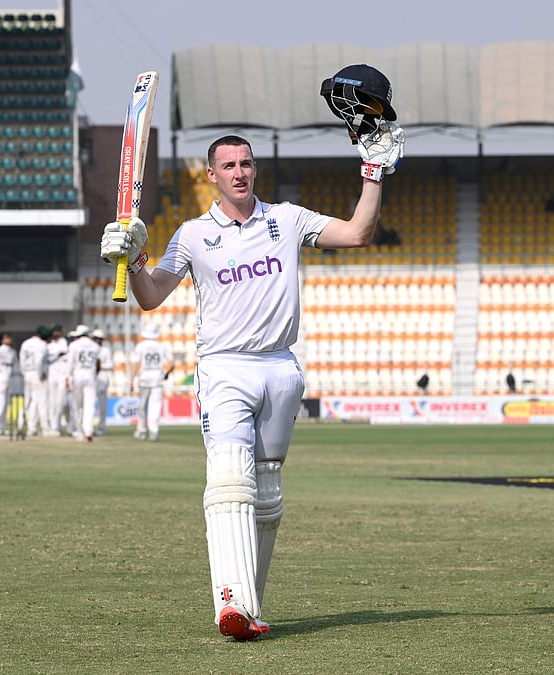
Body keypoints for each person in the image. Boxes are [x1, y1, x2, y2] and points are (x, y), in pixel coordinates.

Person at [100, 102, 402, 640]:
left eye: (247, 163)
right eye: (229, 166)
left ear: (254, 169)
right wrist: (135, 257)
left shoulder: (286, 219)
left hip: (282, 368)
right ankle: (230, 604)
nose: (239, 172)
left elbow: (358, 233)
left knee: (266, 494)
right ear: (210, 175)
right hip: (224, 369)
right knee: (229, 479)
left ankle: (250, 609)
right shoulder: (193, 235)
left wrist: (372, 173)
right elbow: (149, 298)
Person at [130, 325, 174, 441]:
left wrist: (131, 380)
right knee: (155, 406)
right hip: (157, 379)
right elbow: (172, 364)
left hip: (144, 378)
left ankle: (142, 431)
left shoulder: (140, 346)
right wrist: (166, 374)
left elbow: (135, 364)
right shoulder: (161, 346)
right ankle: (154, 432)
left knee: (142, 406)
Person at [65, 324, 100, 442]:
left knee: (77, 406)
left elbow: (70, 363)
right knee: (89, 406)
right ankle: (88, 430)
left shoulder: (74, 345)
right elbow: (97, 363)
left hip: (77, 375)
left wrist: (67, 377)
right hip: (90, 376)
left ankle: (80, 432)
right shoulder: (95, 346)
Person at [18, 325, 51, 437]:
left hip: (27, 373)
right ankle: (45, 428)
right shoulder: (42, 344)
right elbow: (38, 361)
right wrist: (40, 373)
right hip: (37, 373)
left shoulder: (25, 343)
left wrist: (23, 374)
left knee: (29, 401)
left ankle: (25, 426)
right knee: (42, 401)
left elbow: (21, 360)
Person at [45, 324, 71, 436]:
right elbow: (48, 358)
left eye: (58, 331)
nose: (56, 333)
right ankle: (54, 427)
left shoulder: (65, 343)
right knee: (52, 402)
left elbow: (65, 355)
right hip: (52, 375)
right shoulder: (49, 345)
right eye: (54, 331)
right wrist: (57, 354)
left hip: (62, 376)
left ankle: (67, 427)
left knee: (62, 403)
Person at [90, 328, 113, 437]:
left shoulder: (105, 350)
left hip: (102, 376)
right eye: (96, 338)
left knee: (102, 405)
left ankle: (101, 428)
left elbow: (110, 365)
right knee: (89, 404)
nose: (98, 341)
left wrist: (99, 366)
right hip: (91, 376)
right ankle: (88, 427)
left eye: (100, 339)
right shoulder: (89, 349)